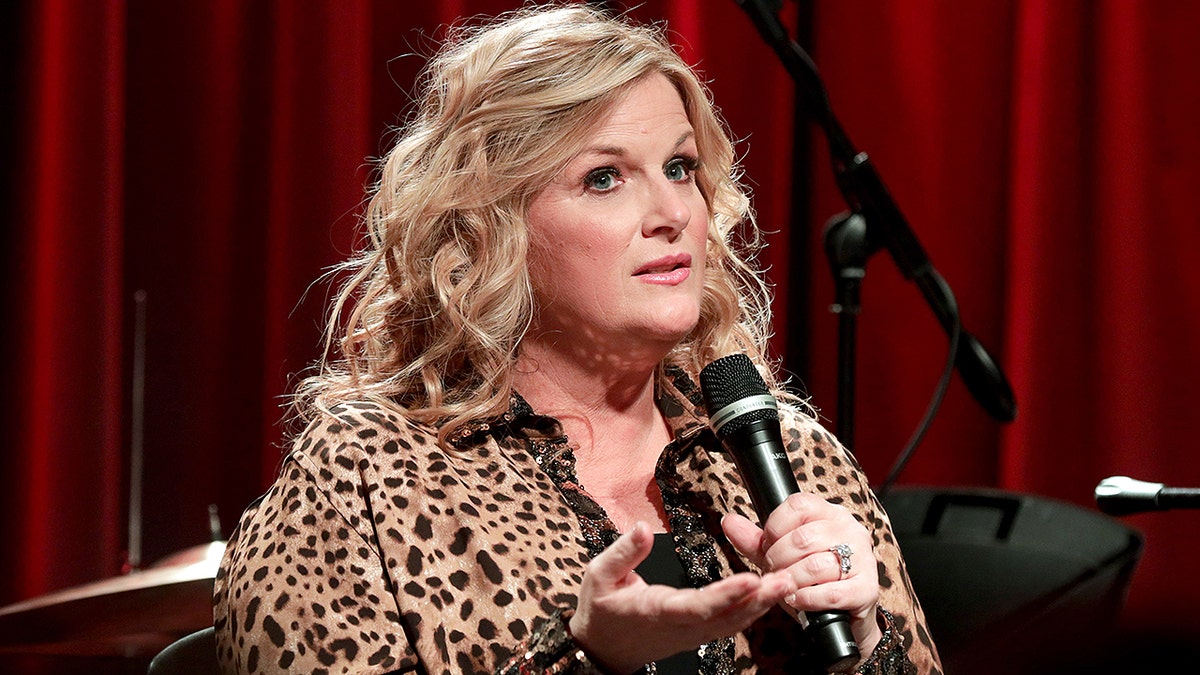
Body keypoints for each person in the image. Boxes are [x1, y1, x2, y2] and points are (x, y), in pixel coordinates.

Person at [213, 5, 942, 674]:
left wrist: (866, 636)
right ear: (491, 224)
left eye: (680, 168)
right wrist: (586, 660)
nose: (670, 212)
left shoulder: (792, 457)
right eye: (604, 177)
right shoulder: (360, 480)